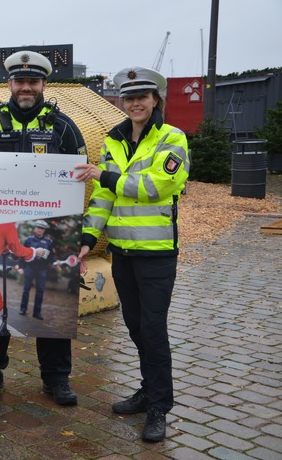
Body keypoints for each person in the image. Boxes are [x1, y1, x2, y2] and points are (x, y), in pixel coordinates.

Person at [0, 51, 87, 406]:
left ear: (43, 84)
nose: (26, 88)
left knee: (54, 306)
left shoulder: (64, 127)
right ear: (10, 84)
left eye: (33, 82)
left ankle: (56, 379)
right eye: (20, 81)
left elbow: (82, 174)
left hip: (49, 224)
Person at [75, 66, 189, 442]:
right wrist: (88, 237)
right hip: (123, 253)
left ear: (155, 100)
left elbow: (157, 185)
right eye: (129, 97)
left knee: (154, 330)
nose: (136, 103)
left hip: (156, 255)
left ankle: (159, 405)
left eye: (142, 96)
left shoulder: (172, 138)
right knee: (137, 326)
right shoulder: (115, 140)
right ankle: (147, 390)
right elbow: (104, 196)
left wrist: (104, 177)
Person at [17, 220, 54, 319]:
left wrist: (55, 263)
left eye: (42, 228)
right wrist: (21, 267)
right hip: (30, 267)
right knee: (26, 290)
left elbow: (51, 256)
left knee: (40, 291)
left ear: (44, 230)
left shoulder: (48, 242)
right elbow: (22, 254)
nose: (39, 230)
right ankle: (23, 309)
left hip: (42, 269)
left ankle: (37, 313)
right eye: (38, 228)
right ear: (35, 228)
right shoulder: (29, 240)